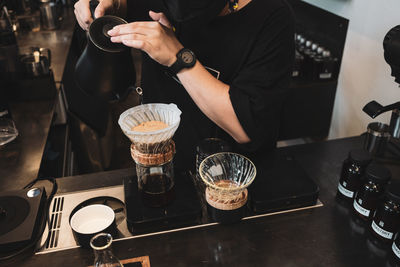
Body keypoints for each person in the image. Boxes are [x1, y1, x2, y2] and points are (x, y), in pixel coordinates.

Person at [74, 0, 295, 170]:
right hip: (161, 159)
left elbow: (247, 127)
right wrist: (110, 6)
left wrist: (178, 58)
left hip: (232, 178)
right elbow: (124, 4)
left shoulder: (272, 16)